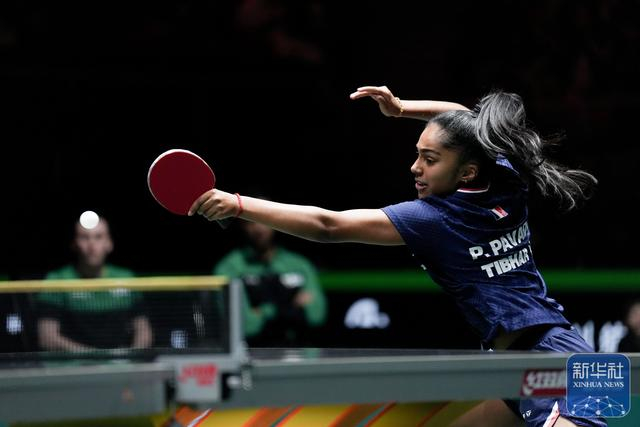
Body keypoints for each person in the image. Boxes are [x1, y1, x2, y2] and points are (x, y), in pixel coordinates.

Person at [188, 86, 601, 427]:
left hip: (552, 363)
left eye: (430, 159)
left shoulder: (433, 219)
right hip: (530, 359)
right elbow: (464, 117)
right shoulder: (505, 176)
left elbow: (328, 225)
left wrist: (238, 204)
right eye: (418, 152)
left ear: (467, 172)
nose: (415, 167)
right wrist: (401, 108)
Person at [37, 214, 152, 351]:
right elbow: (47, 337)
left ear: (109, 244)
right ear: (74, 244)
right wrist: (92, 357)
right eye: (84, 237)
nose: (91, 244)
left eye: (98, 237)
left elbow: (143, 329)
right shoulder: (56, 280)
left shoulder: (126, 278)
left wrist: (133, 356)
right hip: (72, 362)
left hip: (121, 361)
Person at [214, 210, 327, 346]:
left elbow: (316, 316)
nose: (259, 229)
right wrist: (289, 306)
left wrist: (261, 311)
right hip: (252, 351)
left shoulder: (300, 265)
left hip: (301, 349)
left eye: (264, 221)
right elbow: (247, 326)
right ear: (242, 226)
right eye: (250, 222)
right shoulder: (229, 267)